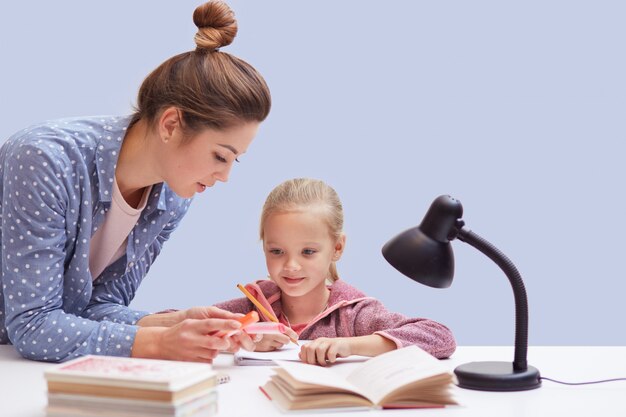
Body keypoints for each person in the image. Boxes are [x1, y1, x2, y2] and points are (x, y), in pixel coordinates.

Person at [0, 1, 271, 363]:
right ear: (170, 124)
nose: (225, 176)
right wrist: (161, 343)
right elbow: (33, 325)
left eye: (234, 160)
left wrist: (172, 322)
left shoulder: (173, 198)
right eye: (220, 156)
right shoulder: (44, 160)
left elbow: (94, 308)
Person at [214, 178, 456, 366]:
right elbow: (176, 321)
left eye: (308, 251)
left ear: (337, 247)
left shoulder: (353, 314)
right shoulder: (254, 308)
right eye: (276, 251)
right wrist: (241, 337)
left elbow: (440, 337)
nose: (291, 266)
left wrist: (350, 346)